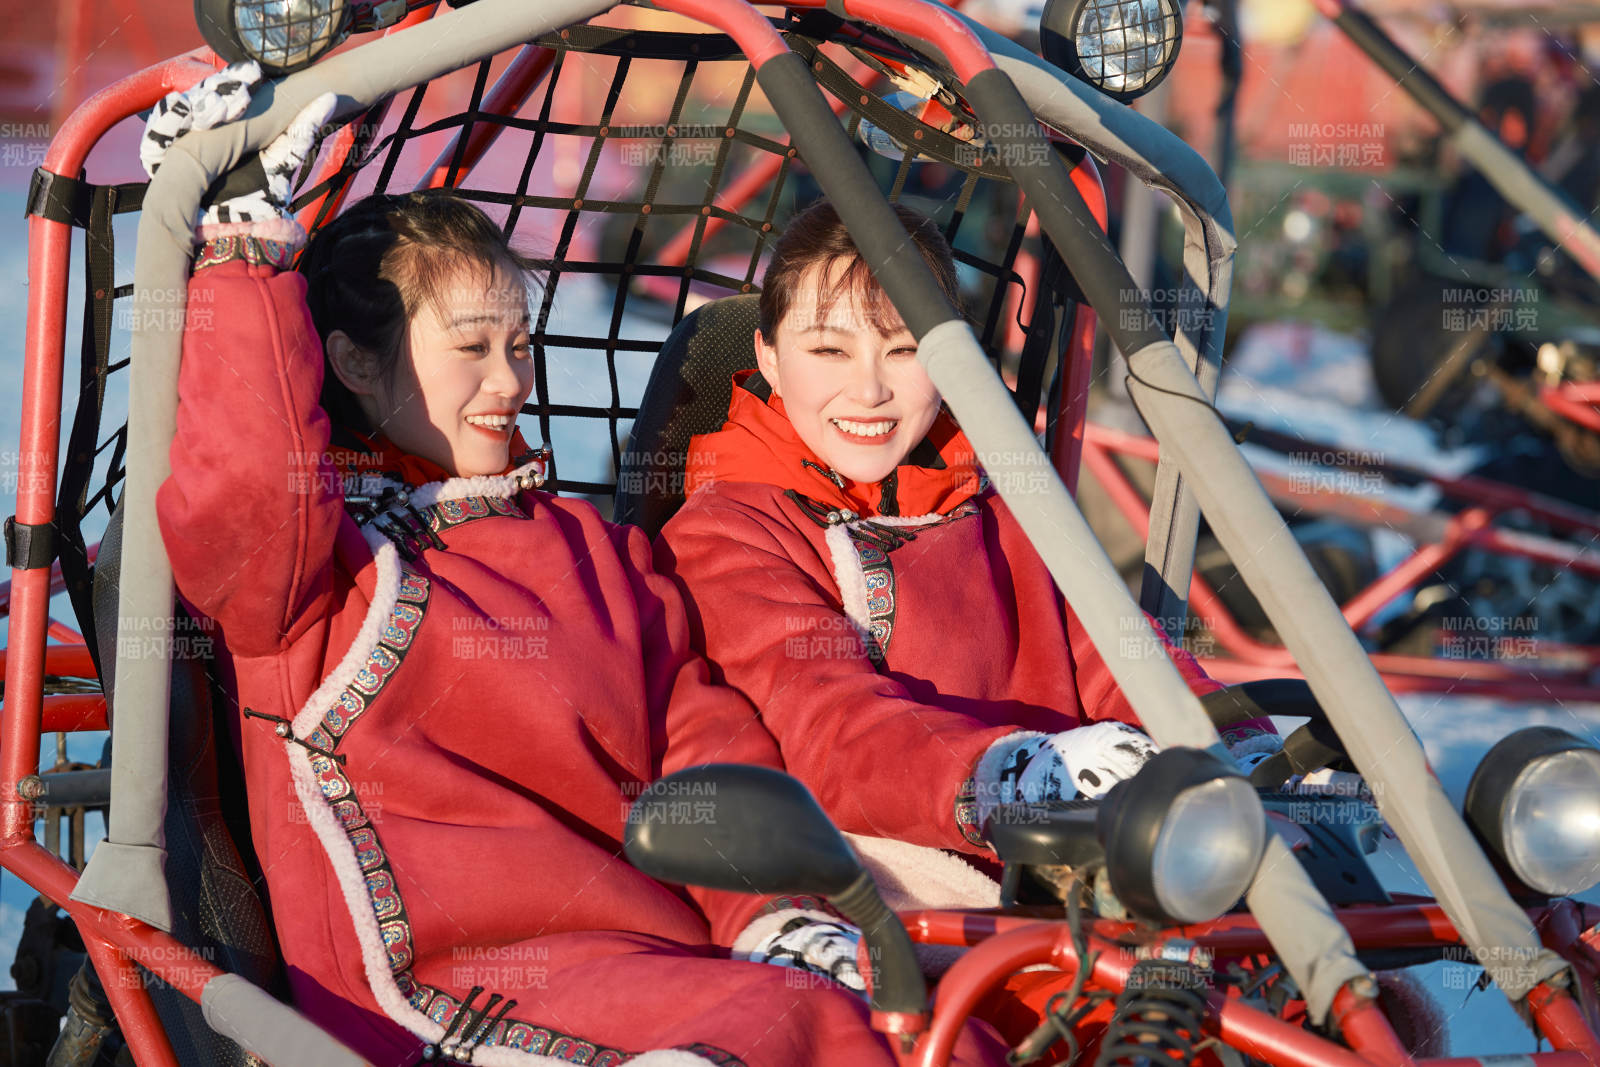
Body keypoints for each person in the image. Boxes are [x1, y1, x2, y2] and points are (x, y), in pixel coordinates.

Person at [145, 65, 1007, 1067]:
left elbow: (702, 748)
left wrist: (774, 912)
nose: (511, 379)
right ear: (351, 361)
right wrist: (245, 254)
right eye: (472, 347)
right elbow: (241, 484)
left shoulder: (595, 551)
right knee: (799, 1033)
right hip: (445, 989)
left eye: (520, 343)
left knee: (935, 1032)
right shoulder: (315, 566)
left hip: (662, 961)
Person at [655, 201, 1276, 905]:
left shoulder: (1002, 508)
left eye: (904, 348)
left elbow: (1116, 655)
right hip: (896, 888)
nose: (869, 390)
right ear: (768, 356)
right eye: (829, 350)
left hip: (1088, 864)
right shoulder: (726, 531)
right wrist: (1004, 777)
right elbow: (827, 730)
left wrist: (1233, 743)